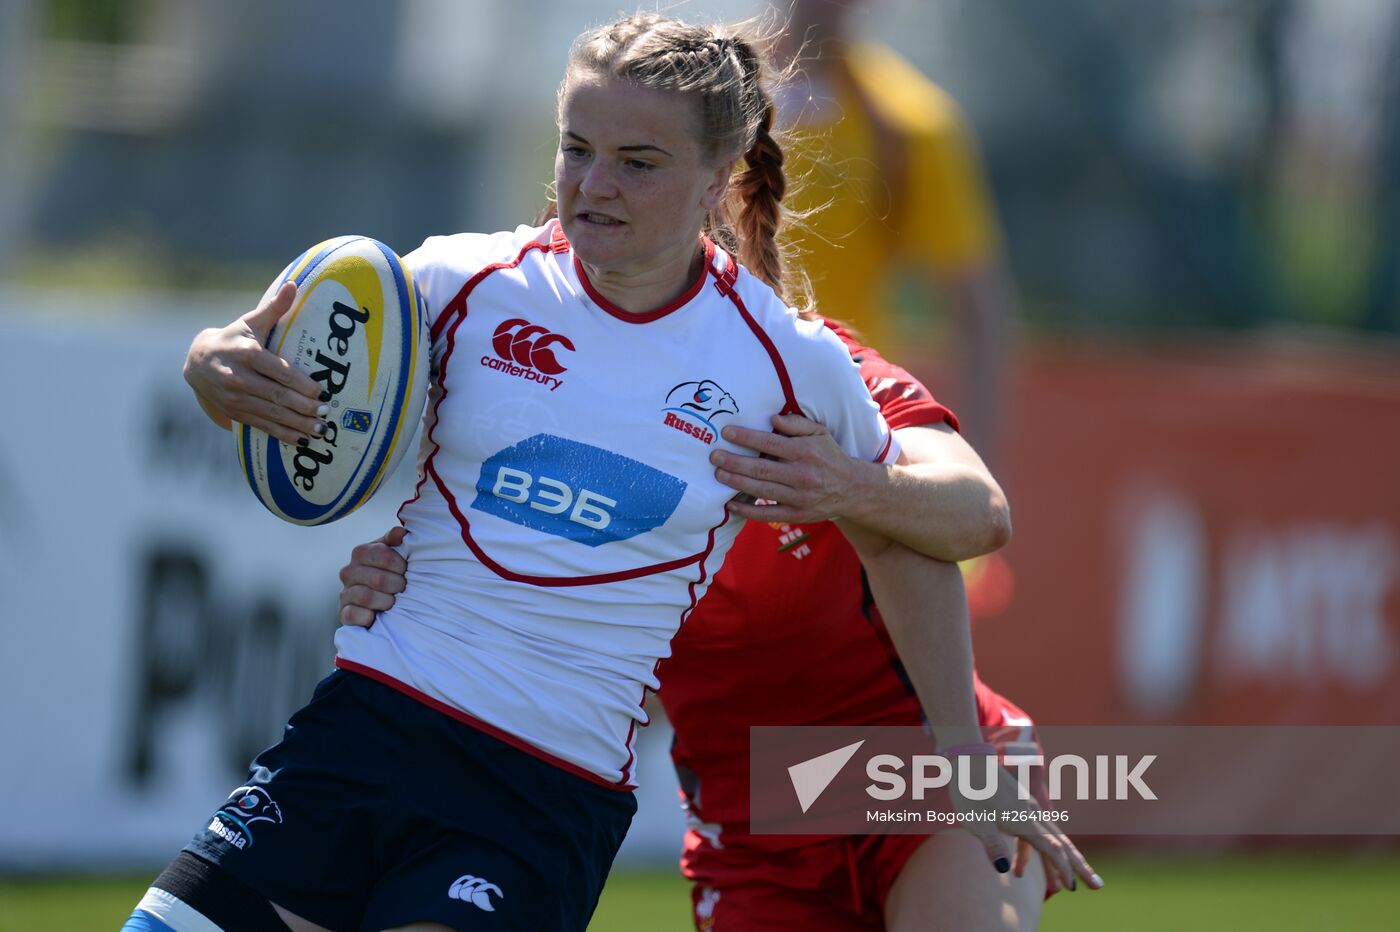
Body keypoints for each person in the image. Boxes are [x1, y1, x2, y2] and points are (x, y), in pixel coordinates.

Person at [123, 12, 1068, 932]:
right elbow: (298, 374)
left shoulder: (794, 368)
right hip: (442, 749)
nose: (593, 186)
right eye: (577, 149)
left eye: (638, 161)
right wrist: (216, 365)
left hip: (641, 789)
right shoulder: (465, 287)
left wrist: (957, 746)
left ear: (718, 180)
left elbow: (938, 529)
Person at [339, 324, 1105, 930]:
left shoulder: (805, 364)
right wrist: (407, 588)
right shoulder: (546, 421)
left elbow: (978, 511)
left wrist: (851, 483)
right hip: (753, 836)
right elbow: (501, 616)